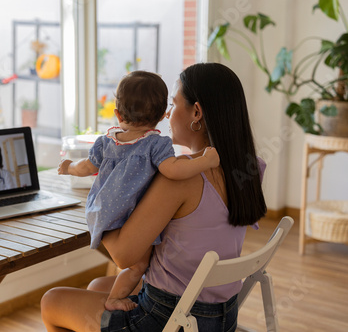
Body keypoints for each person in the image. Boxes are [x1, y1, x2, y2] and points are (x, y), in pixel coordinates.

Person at [41, 62, 267, 332]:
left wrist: (100, 206)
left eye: (173, 104)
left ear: (196, 112)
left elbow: (124, 257)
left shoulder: (180, 180)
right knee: (99, 287)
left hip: (169, 318)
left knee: (51, 301)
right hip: (220, 316)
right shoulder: (251, 166)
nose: (168, 114)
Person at [58, 71, 219, 312]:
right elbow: (173, 170)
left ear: (118, 114)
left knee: (113, 274)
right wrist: (206, 161)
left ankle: (116, 298)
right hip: (129, 215)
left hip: (100, 213)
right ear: (162, 116)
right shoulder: (156, 144)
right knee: (137, 266)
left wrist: (69, 167)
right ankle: (114, 299)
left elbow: (86, 168)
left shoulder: (106, 141)